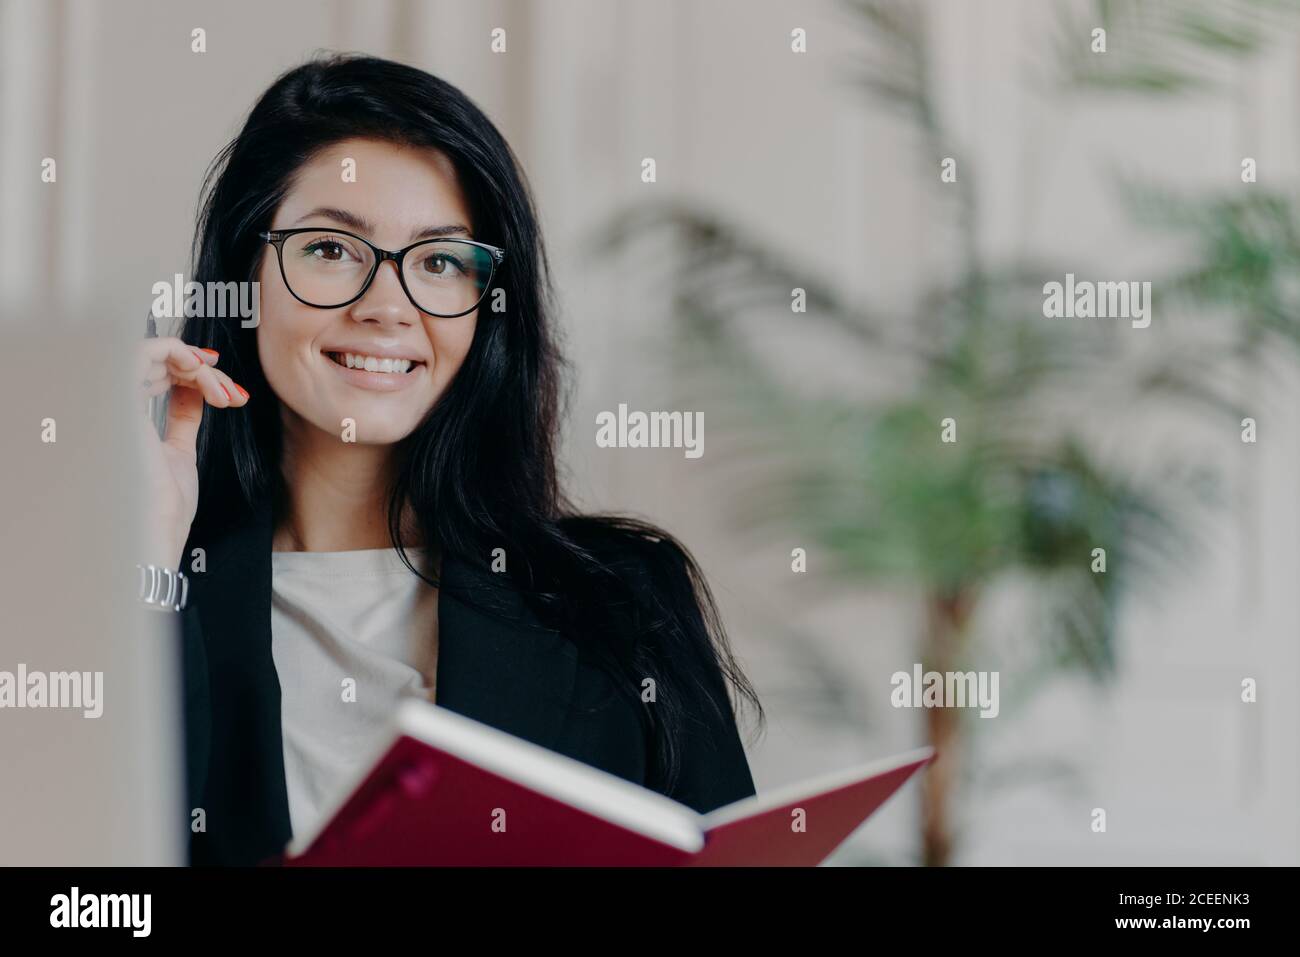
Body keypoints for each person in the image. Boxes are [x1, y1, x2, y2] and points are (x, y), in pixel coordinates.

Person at [133, 53, 762, 866]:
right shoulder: (150, 602)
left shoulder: (626, 604)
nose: (387, 307)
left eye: (439, 262)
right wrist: (147, 560)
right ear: (244, 275)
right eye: (330, 249)